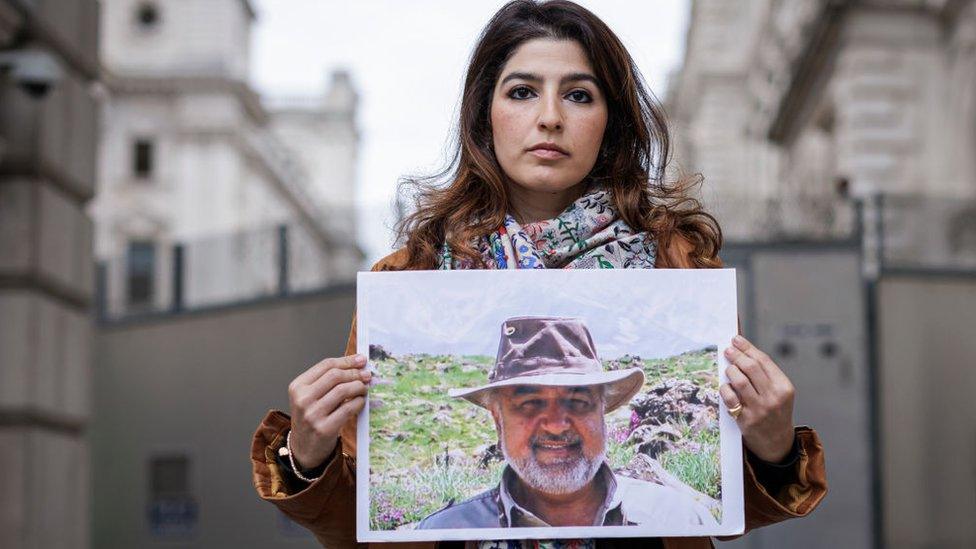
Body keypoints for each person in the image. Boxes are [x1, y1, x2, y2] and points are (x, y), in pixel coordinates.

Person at [251, 1, 827, 548]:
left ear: (611, 120)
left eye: (578, 95)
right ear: (485, 115)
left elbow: (718, 518)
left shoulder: (677, 266)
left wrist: (772, 451)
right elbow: (363, 531)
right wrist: (306, 456)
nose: (549, 118)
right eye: (523, 92)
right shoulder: (410, 276)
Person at [416, 316, 718, 529]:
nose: (557, 425)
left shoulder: (679, 518)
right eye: (530, 403)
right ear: (498, 422)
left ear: (603, 411)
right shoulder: (447, 530)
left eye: (577, 401)